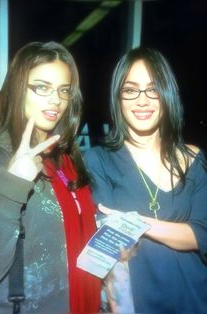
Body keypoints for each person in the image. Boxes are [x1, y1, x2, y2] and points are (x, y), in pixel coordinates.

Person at [0, 41, 101, 314]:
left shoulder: (66, 161)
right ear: (18, 90)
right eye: (42, 87)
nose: (55, 100)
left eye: (63, 90)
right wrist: (12, 186)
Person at [84, 46, 207, 313]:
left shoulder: (194, 159)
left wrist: (138, 223)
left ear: (167, 95)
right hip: (137, 304)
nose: (142, 100)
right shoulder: (98, 161)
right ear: (118, 99)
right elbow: (110, 249)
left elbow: (203, 234)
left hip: (195, 301)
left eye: (153, 89)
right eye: (130, 90)